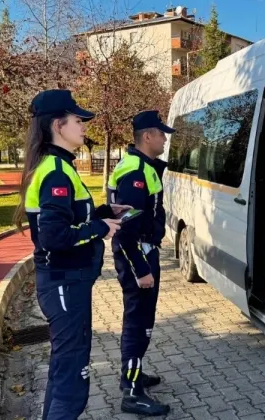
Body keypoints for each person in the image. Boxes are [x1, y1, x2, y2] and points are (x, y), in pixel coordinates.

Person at [12, 89, 130, 420]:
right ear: (58, 125)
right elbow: (54, 236)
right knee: (71, 372)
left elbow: (68, 220)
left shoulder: (59, 167)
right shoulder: (56, 172)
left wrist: (106, 212)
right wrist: (100, 228)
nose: (84, 126)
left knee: (68, 365)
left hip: (69, 281)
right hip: (64, 281)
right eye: (78, 120)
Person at [108, 110, 173, 416]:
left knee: (140, 320)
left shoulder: (140, 165)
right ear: (147, 136)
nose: (164, 138)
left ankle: (133, 375)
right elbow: (126, 230)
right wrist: (142, 270)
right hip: (139, 255)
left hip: (144, 251)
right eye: (161, 133)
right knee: (139, 324)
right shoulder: (134, 171)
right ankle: (132, 391)